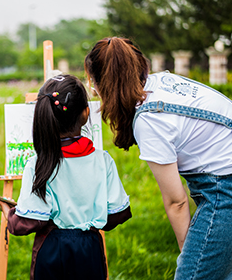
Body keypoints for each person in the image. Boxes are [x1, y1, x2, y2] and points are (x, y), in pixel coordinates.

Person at [84, 37, 232, 280]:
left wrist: (190, 257)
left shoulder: (149, 120)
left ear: (101, 85)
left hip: (224, 188)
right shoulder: (163, 82)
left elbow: (177, 202)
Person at [0, 74, 132, 280]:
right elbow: (117, 214)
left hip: (51, 249)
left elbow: (28, 221)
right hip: (90, 249)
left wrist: (9, 212)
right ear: (86, 114)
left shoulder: (38, 163)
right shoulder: (103, 160)